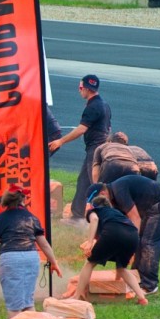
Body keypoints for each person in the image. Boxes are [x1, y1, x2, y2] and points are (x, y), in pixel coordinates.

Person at [89, 175, 160, 295]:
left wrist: (130, 246)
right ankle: (137, 279)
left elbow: (135, 219)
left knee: (148, 242)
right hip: (151, 208)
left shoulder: (119, 190)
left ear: (103, 193)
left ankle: (149, 285)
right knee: (140, 242)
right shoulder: (113, 197)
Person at [0, 188, 61, 319]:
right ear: (23, 200)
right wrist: (54, 262)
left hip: (10, 259)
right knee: (28, 302)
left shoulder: (0, 219)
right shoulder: (31, 218)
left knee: (14, 306)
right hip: (31, 258)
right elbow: (44, 244)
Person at [48, 74, 110, 221]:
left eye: (80, 87)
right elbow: (108, 128)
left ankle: (104, 217)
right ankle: (77, 216)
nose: (79, 90)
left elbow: (81, 129)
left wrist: (60, 141)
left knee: (95, 185)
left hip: (95, 150)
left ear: (87, 89)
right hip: (99, 148)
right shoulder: (104, 105)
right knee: (83, 182)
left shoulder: (93, 106)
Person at [76, 194, 149, 305]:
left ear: (93, 206)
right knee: (122, 268)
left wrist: (89, 243)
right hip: (133, 235)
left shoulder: (94, 211)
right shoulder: (115, 213)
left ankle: (76, 297)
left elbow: (94, 219)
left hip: (113, 233)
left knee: (90, 263)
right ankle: (142, 298)